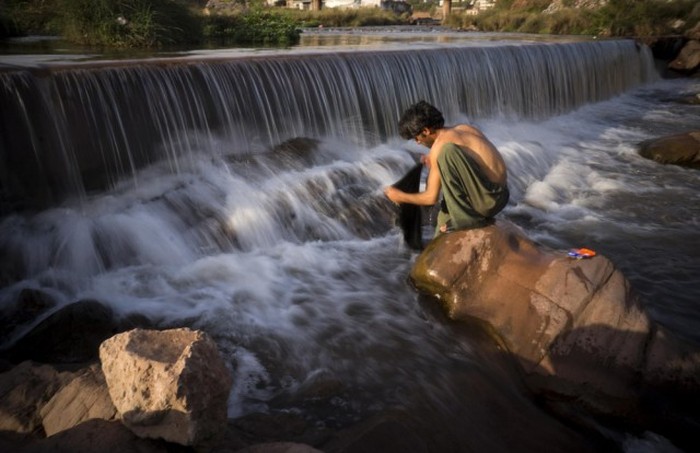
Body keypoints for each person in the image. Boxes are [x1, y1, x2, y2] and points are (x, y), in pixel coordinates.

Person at [384, 101, 509, 236]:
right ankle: (457, 221)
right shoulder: (464, 129)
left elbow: (431, 198)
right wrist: (441, 164)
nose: (417, 142)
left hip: (488, 201)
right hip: (501, 194)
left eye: (417, 138)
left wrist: (399, 196)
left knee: (447, 152)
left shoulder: (442, 147)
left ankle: (465, 221)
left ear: (426, 130)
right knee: (441, 224)